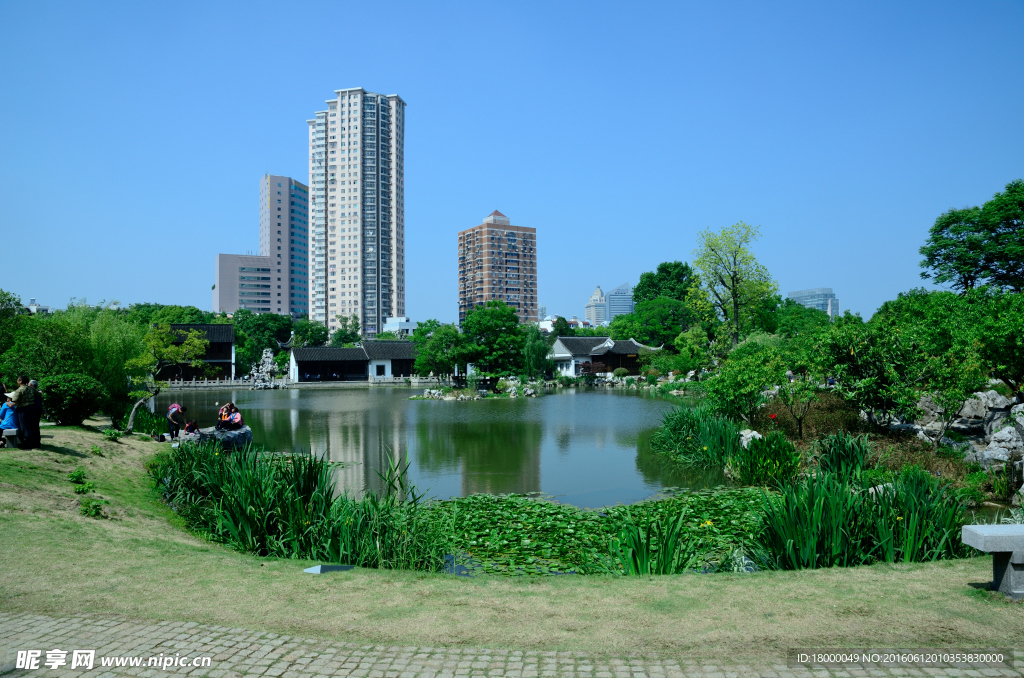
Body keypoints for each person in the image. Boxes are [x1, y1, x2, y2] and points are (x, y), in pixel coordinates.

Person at [11, 376, 40, 449]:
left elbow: (15, 401)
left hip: (23, 410)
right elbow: (39, 394)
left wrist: (9, 404)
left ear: (20, 381)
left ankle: (27, 444)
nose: (17, 381)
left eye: (18, 380)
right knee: (33, 426)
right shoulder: (31, 388)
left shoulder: (19, 390)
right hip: (32, 409)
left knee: (25, 427)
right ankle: (36, 443)